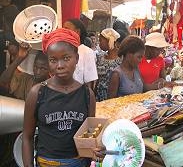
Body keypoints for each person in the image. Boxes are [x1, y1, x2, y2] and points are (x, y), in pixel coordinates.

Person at [22, 28, 96, 167]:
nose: (60, 65)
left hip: (78, 162)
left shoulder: (87, 95)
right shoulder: (37, 93)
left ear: (77, 58)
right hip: (47, 163)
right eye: (53, 60)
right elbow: (27, 137)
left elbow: (90, 137)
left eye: (66, 58)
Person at [63, 19, 98, 90]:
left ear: (77, 32)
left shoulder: (86, 52)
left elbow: (89, 82)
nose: (63, 32)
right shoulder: (61, 49)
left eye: (66, 29)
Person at [95, 28, 123, 101]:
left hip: (114, 96)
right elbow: (97, 79)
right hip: (99, 95)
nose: (99, 43)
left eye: (101, 40)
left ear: (108, 40)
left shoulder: (122, 59)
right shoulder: (100, 57)